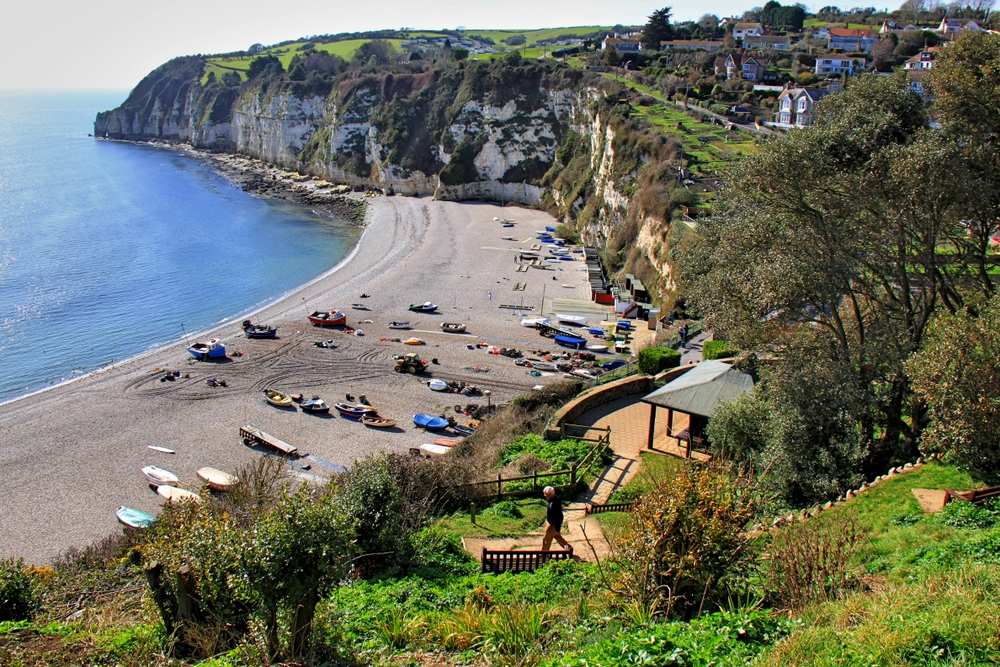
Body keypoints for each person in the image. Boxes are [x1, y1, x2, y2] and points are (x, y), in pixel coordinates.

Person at [541, 486, 571, 552]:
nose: (544, 495)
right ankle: (569, 548)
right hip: (552, 523)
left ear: (550, 494)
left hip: (553, 524)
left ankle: (544, 553)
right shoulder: (555, 499)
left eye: (545, 494)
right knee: (558, 537)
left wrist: (557, 529)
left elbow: (556, 517)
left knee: (546, 539)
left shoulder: (553, 504)